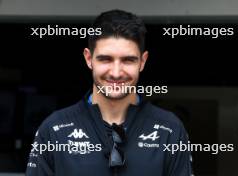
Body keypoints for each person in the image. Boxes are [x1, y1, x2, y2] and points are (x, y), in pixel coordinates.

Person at [26, 9, 192, 176]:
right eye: (105, 59)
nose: (116, 72)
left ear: (142, 61)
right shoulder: (54, 129)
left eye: (128, 60)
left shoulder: (170, 129)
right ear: (89, 58)